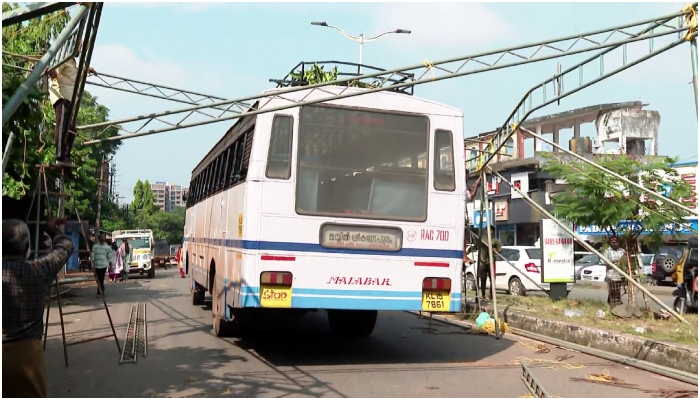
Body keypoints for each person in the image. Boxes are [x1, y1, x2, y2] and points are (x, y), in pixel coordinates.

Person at [3, 218, 74, 398]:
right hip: (27, 357)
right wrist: (51, 229)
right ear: (27, 246)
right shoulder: (38, 271)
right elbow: (66, 245)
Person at [46, 45, 96, 167]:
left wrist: (86, 69)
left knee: (71, 130)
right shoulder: (65, 59)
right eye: (79, 47)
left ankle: (66, 156)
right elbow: (55, 74)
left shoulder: (73, 63)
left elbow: (74, 74)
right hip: (62, 97)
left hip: (70, 99)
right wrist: (49, 70)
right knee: (62, 125)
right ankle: (59, 155)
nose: (80, 49)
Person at [477, 227, 501, 300]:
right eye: (487, 230)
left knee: (492, 279)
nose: (489, 232)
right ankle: (483, 295)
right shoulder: (481, 239)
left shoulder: (495, 241)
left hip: (491, 262)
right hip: (482, 262)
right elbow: (476, 243)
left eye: (491, 230)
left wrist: (495, 250)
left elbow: (499, 250)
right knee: (483, 279)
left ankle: (491, 295)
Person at [604, 237, 626, 306]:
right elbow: (604, 262)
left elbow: (625, 261)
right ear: (610, 243)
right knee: (612, 289)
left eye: (616, 242)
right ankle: (611, 302)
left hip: (620, 274)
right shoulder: (607, 251)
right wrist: (613, 263)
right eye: (613, 242)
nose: (615, 244)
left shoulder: (622, 251)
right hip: (611, 273)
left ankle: (618, 301)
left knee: (618, 289)